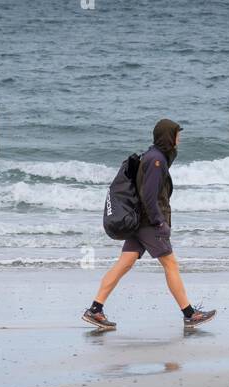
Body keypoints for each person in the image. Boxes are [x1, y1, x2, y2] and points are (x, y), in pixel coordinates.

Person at [83, 119, 216, 330]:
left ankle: (95, 309)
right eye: (176, 134)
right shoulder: (156, 160)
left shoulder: (152, 155)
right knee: (171, 265)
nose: (179, 138)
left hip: (139, 222)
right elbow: (149, 196)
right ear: (168, 137)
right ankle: (190, 314)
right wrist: (158, 222)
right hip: (148, 224)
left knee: (124, 264)